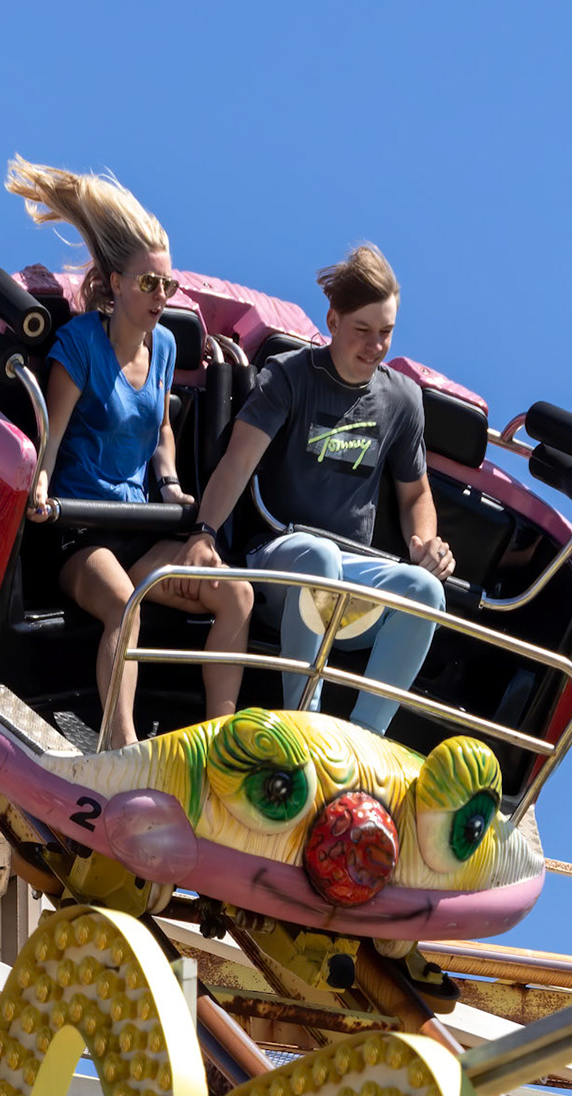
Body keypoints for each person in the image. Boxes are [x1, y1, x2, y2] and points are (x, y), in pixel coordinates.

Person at [5, 157, 253, 750]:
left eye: (168, 286)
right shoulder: (79, 345)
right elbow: (53, 433)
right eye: (149, 284)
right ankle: (121, 748)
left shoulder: (163, 345)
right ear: (115, 283)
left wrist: (167, 482)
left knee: (237, 593)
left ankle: (225, 744)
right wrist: (39, 487)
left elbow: (160, 429)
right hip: (80, 535)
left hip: (139, 526)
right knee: (128, 604)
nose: (160, 296)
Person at [176, 244, 454, 734]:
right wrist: (204, 532)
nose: (375, 346)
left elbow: (416, 496)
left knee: (426, 590)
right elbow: (238, 460)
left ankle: (364, 741)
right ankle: (302, 725)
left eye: (386, 333)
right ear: (333, 321)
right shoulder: (291, 376)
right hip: (281, 559)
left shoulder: (403, 399)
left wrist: (424, 542)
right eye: (362, 331)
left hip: (350, 578)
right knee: (320, 560)